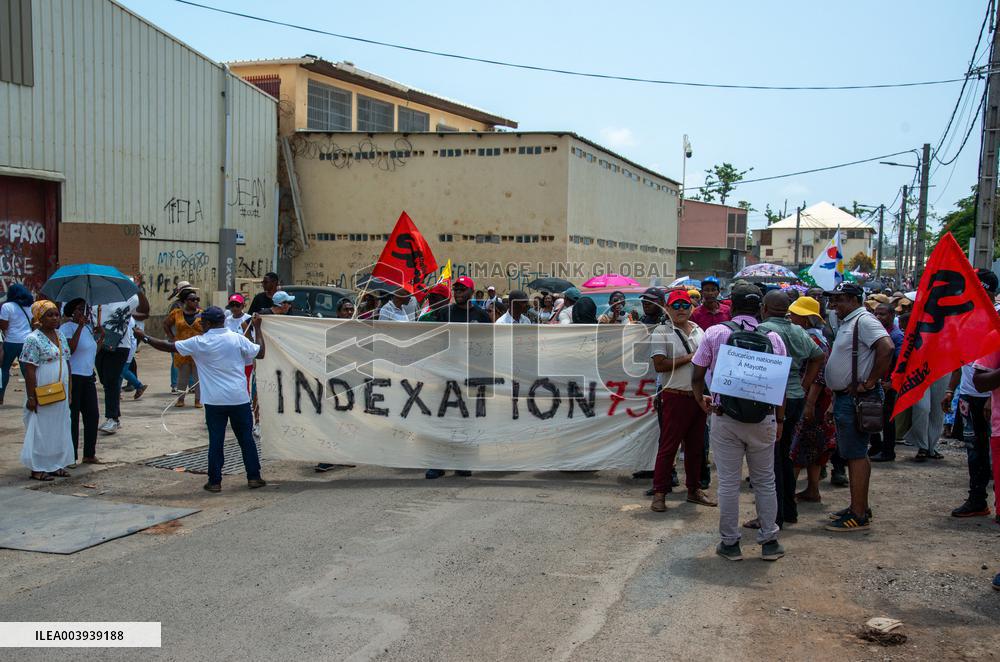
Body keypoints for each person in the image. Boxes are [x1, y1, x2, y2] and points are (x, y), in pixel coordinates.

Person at [691, 283, 787, 562]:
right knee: (765, 481)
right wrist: (779, 420)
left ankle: (730, 544)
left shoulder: (715, 333)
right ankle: (769, 541)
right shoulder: (774, 337)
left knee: (729, 484)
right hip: (764, 418)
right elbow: (778, 385)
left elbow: (697, 376)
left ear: (730, 305)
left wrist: (702, 402)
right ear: (760, 308)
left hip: (725, 418)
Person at [136, 308, 266, 493]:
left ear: (210, 323)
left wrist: (144, 337)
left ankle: (214, 482)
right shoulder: (237, 339)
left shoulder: (200, 342)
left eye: (202, 321)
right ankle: (254, 477)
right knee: (246, 439)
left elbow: (168, 346)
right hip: (239, 398)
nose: (200, 324)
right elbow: (260, 353)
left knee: (216, 441)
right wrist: (258, 329)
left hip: (214, 401)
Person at [823, 282, 893, 532]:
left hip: (856, 399)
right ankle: (859, 505)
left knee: (855, 454)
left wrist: (872, 380)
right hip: (846, 397)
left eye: (838, 300)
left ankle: (858, 513)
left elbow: (887, 348)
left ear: (853, 299)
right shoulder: (849, 322)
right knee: (855, 452)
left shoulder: (864, 320)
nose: (833, 305)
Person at [759, 290, 824, 528]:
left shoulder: (764, 331)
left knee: (770, 459)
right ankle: (788, 511)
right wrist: (804, 384)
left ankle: (774, 515)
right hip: (795, 395)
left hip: (774, 399)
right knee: (784, 455)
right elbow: (819, 356)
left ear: (764, 308)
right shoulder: (798, 330)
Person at [648, 289, 713, 512]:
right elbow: (660, 364)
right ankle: (659, 493)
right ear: (667, 309)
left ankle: (694, 489)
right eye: (676, 305)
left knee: (697, 448)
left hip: (697, 396)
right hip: (674, 395)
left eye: (685, 305)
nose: (681, 309)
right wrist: (690, 357)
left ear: (692, 307)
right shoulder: (661, 332)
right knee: (668, 448)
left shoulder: (699, 330)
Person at [946, 269, 999, 517]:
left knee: (992, 449)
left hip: (990, 395)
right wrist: (950, 389)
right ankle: (977, 499)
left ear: (991, 291)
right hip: (968, 392)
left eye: (982, 291)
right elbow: (960, 357)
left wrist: (991, 397)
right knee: (974, 449)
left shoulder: (997, 318)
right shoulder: (966, 317)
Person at [427, 276, 489, 478]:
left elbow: (488, 347)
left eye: (462, 289)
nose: (458, 292)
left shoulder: (482, 316)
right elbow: (433, 341)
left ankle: (463, 461)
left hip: (469, 378)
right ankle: (438, 464)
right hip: (445, 377)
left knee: (467, 421)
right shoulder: (445, 313)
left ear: (471, 292)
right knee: (442, 419)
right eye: (456, 289)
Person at [787, 296, 836, 503]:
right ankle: (812, 489)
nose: (790, 318)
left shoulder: (811, 340)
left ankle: (787, 493)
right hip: (818, 398)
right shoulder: (820, 337)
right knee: (815, 446)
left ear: (805, 319)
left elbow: (818, 374)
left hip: (810, 398)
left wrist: (808, 403)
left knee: (796, 446)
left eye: (794, 315)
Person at [20, 300, 74, 481]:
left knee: (59, 426)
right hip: (43, 387)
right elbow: (29, 369)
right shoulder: (32, 339)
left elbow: (67, 362)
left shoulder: (60, 335)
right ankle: (38, 467)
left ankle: (56, 464)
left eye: (56, 314)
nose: (54, 318)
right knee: (41, 428)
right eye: (49, 315)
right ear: (39, 318)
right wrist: (31, 396)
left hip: (61, 387)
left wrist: (70, 390)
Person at [93, 293, 143, 434]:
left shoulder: (127, 300)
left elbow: (143, 308)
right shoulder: (95, 302)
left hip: (120, 346)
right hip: (100, 344)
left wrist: (137, 290)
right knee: (105, 380)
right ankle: (115, 416)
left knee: (112, 380)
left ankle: (113, 418)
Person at [59, 299, 101, 464]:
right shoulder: (66, 328)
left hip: (88, 376)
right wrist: (80, 327)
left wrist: (101, 337)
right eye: (79, 309)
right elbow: (70, 349)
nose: (83, 312)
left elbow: (91, 352)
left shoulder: (89, 328)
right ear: (72, 311)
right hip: (73, 377)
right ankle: (72, 455)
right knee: (73, 416)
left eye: (85, 309)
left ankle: (89, 454)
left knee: (92, 415)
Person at [869, 303, 904, 462]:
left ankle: (888, 451)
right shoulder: (879, 332)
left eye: (882, 314)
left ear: (891, 316)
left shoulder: (896, 336)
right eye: (876, 313)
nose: (878, 317)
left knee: (887, 417)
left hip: (888, 383)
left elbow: (901, 362)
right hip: (878, 380)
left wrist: (892, 382)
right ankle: (876, 446)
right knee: (874, 414)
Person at [164, 290, 204, 407]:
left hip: (198, 349)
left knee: (198, 376)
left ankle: (198, 400)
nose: (195, 302)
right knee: (183, 376)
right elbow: (166, 324)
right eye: (192, 300)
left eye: (197, 299)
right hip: (182, 348)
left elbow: (209, 327)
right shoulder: (177, 313)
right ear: (185, 301)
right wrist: (172, 337)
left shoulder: (202, 313)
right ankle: (180, 399)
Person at [0, 283, 35, 405]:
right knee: (27, 371)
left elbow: (3, 326)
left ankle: (0, 396)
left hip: (10, 342)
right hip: (26, 342)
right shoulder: (30, 307)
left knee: (4, 369)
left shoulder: (7, 306)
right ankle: (32, 396)